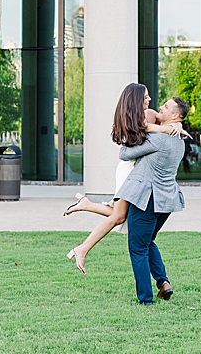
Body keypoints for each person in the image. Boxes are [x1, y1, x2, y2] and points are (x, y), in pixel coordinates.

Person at [64, 84, 183, 275]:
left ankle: (86, 212)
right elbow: (144, 129)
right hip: (131, 170)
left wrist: (176, 124)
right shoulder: (138, 118)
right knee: (119, 216)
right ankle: (83, 247)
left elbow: (167, 119)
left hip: (138, 168)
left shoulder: (150, 113)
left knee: (120, 216)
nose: (150, 99)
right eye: (146, 96)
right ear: (136, 99)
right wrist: (167, 129)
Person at [115, 96, 188, 304]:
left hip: (147, 199)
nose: (160, 108)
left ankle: (146, 299)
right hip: (166, 202)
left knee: (137, 247)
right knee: (147, 242)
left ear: (174, 115)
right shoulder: (180, 140)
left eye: (166, 107)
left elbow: (124, 153)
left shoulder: (157, 139)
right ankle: (163, 283)